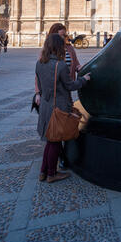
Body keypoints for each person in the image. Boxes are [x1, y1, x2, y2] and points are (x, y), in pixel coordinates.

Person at [35, 34, 90, 183]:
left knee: (50, 140)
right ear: (59, 47)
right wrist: (84, 80)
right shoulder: (60, 66)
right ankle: (52, 174)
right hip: (58, 108)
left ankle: (43, 172)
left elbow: (39, 86)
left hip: (46, 106)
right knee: (55, 141)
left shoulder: (39, 63)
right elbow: (71, 85)